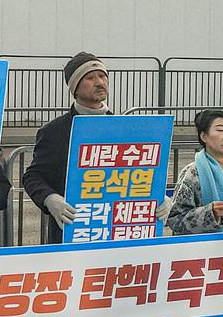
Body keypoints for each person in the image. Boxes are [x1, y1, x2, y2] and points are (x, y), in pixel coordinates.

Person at [23, 52, 171, 243]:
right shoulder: (55, 131)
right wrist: (51, 199)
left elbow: (145, 173)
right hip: (74, 228)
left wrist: (163, 198)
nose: (99, 82)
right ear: (75, 88)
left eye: (102, 76)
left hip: (119, 231)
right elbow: (33, 176)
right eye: (90, 78)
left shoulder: (126, 127)